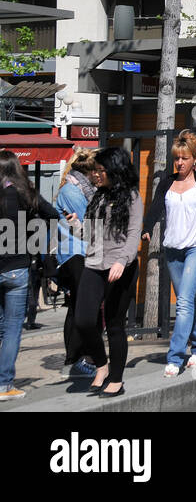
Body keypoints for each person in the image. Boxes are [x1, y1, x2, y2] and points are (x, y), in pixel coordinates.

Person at [141, 130, 196, 377]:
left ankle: (175, 357)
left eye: (184, 158)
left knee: (185, 302)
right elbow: (156, 207)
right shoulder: (167, 182)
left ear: (195, 159)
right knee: (187, 302)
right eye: (177, 158)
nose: (179, 163)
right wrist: (147, 228)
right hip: (173, 249)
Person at [74, 147, 142, 398]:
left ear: (115, 169)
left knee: (114, 325)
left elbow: (134, 233)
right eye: (94, 171)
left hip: (120, 267)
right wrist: (74, 225)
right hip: (94, 263)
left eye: (101, 170)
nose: (96, 175)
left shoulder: (132, 196)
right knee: (83, 320)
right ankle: (101, 366)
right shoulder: (98, 196)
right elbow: (89, 234)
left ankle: (116, 380)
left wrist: (122, 261)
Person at [0, 150, 64, 401]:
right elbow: (52, 214)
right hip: (16, 268)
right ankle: (4, 385)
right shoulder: (25, 194)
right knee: (13, 329)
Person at [54, 150, 99, 380]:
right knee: (80, 308)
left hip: (79, 253)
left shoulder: (78, 188)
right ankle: (74, 361)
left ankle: (78, 359)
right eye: (95, 171)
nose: (97, 176)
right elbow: (90, 224)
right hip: (74, 254)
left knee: (76, 307)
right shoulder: (72, 191)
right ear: (87, 171)